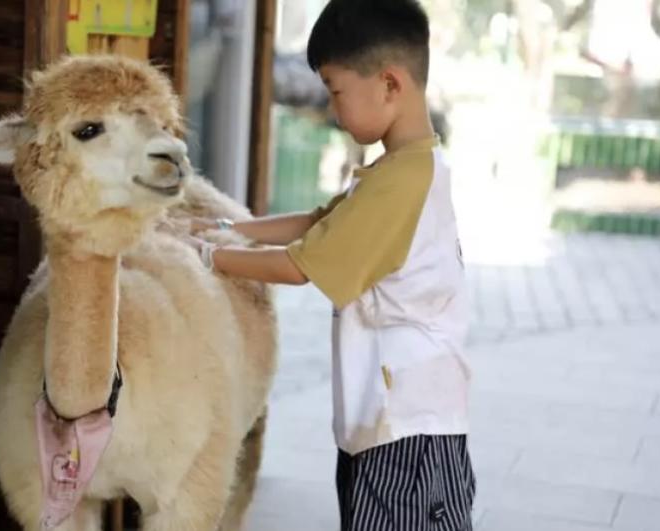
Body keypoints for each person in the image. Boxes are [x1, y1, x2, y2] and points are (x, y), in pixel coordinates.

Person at [188, 1, 476, 528]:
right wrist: (230, 229)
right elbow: (322, 221)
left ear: (389, 84)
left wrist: (207, 257)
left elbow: (302, 264)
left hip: (404, 426)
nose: (333, 109)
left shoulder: (400, 183)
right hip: (400, 418)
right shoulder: (406, 167)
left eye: (335, 90)